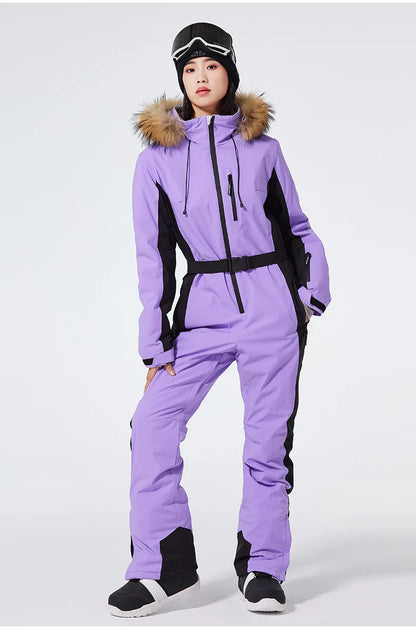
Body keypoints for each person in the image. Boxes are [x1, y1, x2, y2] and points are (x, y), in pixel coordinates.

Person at [108, 21, 331, 618]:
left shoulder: (263, 149)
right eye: (189, 69)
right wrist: (155, 345)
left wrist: (308, 296)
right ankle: (163, 569)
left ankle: (263, 568)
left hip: (271, 310)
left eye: (211, 66)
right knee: (152, 425)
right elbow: (153, 254)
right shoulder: (156, 160)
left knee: (266, 443)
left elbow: (297, 227)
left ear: (229, 71)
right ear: (179, 79)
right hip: (201, 311)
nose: (200, 77)